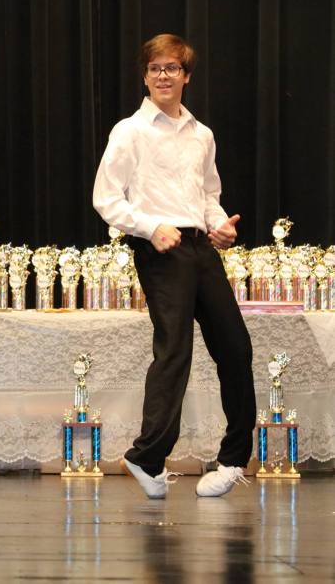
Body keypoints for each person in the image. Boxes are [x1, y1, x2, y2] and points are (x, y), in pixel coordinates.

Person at [92, 34, 255, 499]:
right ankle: (147, 456)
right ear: (145, 77)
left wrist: (219, 226)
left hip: (202, 249)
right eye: (155, 68)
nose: (163, 76)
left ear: (186, 76)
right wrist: (149, 227)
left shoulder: (202, 135)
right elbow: (105, 198)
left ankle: (232, 459)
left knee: (235, 347)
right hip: (162, 251)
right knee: (175, 350)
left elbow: (208, 195)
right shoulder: (130, 131)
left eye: (172, 68)